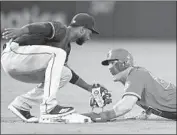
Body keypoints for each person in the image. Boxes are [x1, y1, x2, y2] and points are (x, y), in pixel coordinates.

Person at [1, 13, 104, 123]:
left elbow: (63, 73)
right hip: (14, 55)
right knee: (58, 54)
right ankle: (49, 107)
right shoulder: (61, 30)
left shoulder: (66, 48)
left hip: (24, 64)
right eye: (90, 32)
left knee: (66, 73)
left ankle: (21, 104)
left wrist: (89, 88)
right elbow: (42, 28)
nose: (89, 37)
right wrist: (21, 31)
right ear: (82, 30)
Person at [84, 48, 176, 121]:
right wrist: (146, 113)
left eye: (112, 63)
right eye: (108, 64)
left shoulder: (135, 75)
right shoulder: (136, 74)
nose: (109, 67)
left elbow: (125, 106)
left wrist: (101, 115)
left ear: (124, 63)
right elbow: (156, 94)